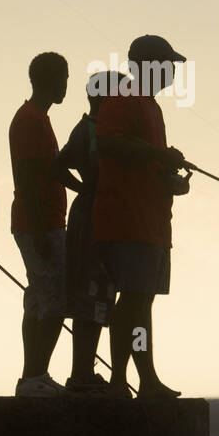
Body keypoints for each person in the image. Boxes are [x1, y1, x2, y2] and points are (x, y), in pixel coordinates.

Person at [92, 35, 190, 399]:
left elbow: (144, 160)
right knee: (132, 300)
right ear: (148, 65)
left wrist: (170, 178)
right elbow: (108, 143)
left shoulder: (150, 106)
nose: (172, 73)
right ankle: (125, 381)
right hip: (127, 220)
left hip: (150, 224)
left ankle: (144, 379)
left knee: (141, 301)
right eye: (167, 65)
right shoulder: (122, 100)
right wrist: (160, 156)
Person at [9, 52, 79, 397]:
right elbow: (25, 177)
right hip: (39, 223)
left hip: (43, 222)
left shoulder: (38, 119)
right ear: (51, 80)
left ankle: (33, 376)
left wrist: (86, 188)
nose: (68, 85)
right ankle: (35, 375)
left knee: (38, 298)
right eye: (64, 78)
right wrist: (40, 231)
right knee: (54, 299)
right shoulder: (30, 120)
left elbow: (52, 169)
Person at [54, 69, 125, 394]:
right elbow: (66, 167)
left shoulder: (85, 128)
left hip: (91, 216)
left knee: (94, 296)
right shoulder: (94, 131)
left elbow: (59, 164)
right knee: (91, 295)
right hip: (94, 221)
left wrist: (81, 189)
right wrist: (88, 189)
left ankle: (82, 371)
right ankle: (81, 373)